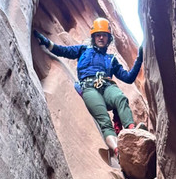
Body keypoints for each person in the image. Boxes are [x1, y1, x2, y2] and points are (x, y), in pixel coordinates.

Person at [33, 18, 144, 156]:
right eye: (98, 35)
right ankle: (118, 152)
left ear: (108, 39)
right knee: (104, 121)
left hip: (107, 85)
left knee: (120, 98)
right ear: (94, 37)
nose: (101, 38)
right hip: (89, 87)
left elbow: (128, 78)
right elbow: (63, 51)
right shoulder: (83, 50)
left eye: (104, 35)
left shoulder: (111, 59)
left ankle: (132, 133)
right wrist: (46, 42)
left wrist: (139, 59)